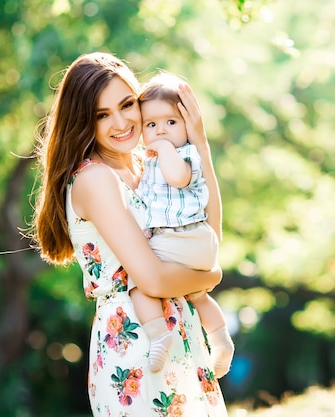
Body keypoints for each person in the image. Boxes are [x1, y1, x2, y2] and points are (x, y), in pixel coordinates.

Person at [32, 52, 229, 416]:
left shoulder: (150, 168)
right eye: (102, 115)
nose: (121, 122)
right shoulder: (94, 179)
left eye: (126, 105)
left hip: (183, 333)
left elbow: (208, 239)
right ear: (83, 122)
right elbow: (152, 279)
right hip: (136, 344)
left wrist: (199, 146)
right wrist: (211, 276)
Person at [131, 71, 234, 378]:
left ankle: (159, 335)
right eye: (151, 125)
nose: (161, 131)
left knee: (139, 284)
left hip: (183, 237)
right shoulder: (153, 160)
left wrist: (163, 148)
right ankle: (220, 338)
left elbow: (178, 178)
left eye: (171, 122)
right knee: (197, 294)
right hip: (193, 244)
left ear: (187, 126)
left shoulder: (185, 154)